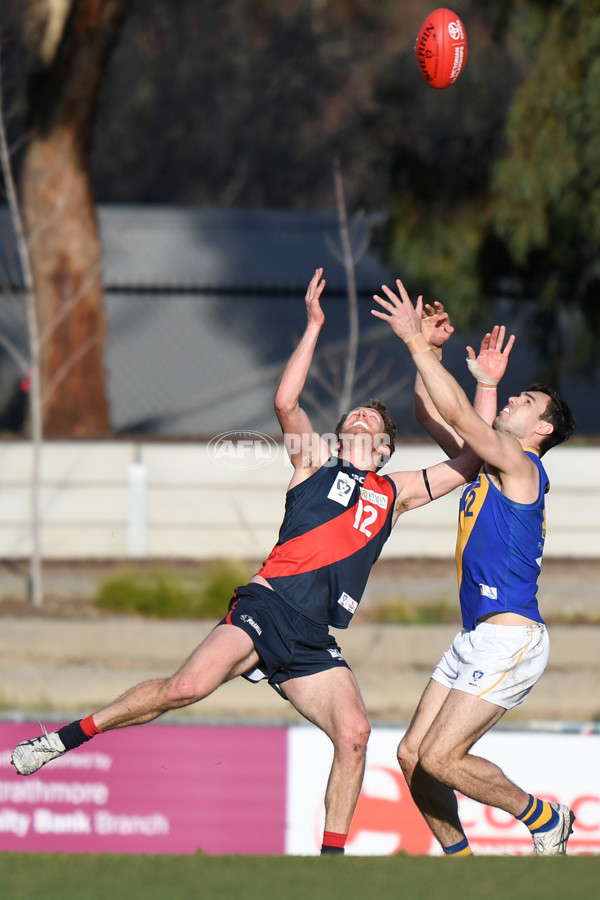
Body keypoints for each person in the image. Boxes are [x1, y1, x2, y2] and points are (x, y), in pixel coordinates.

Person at [12, 268, 495, 856]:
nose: (359, 422)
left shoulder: (395, 494)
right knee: (183, 688)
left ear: (387, 449)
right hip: (268, 604)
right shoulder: (315, 462)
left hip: (314, 637)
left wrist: (432, 352)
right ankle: (62, 740)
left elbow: (474, 457)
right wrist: (314, 325)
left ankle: (330, 867)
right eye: (352, 420)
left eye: (371, 423)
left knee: (356, 734)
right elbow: (285, 401)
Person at [371, 278, 578, 857]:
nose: (514, 401)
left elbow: (462, 415)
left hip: (509, 636)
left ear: (541, 431)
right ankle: (462, 869)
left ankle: (544, 817)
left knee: (441, 756)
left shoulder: (521, 463)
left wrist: (415, 343)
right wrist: (433, 354)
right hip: (475, 636)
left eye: (526, 404)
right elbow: (430, 411)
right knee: (412, 757)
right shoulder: (487, 465)